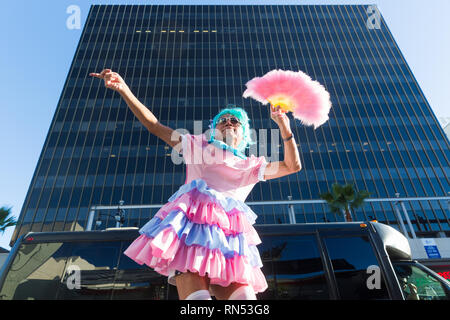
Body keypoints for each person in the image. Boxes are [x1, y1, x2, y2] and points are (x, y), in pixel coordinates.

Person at [90, 69, 302, 300]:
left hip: (228, 246)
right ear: (214, 129)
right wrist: (123, 89)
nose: (228, 122)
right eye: (223, 120)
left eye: (235, 120)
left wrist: (284, 127)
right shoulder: (196, 147)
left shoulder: (251, 165)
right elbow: (154, 126)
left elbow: (292, 166)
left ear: (244, 134)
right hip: (189, 238)